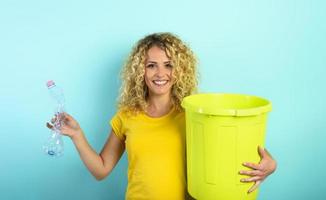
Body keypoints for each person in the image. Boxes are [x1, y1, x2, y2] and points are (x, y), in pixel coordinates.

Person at [46, 32, 277, 200]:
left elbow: (232, 152)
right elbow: (101, 169)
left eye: (168, 65)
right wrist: (77, 135)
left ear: (180, 70)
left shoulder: (195, 114)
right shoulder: (127, 116)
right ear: (140, 71)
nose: (160, 74)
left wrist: (270, 164)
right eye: (151, 66)